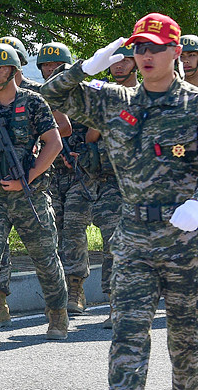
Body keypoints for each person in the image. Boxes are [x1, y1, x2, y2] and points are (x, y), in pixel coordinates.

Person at [41, 13, 198, 389]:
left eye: (155, 49)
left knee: (187, 347)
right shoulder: (114, 101)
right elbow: (47, 96)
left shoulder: (194, 106)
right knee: (127, 337)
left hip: (186, 245)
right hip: (133, 241)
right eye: (140, 48)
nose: (146, 56)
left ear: (175, 52)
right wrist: (84, 68)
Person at [0, 43, 68, 346]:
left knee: (44, 256)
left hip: (27, 193)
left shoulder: (33, 102)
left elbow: (53, 143)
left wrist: (28, 179)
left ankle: (58, 313)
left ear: (14, 71)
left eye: (1, 68)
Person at [0, 36, 71, 327]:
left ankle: (58, 310)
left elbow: (62, 129)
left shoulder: (37, 94)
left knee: (43, 250)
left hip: (33, 179)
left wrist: (31, 149)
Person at [37, 42, 94, 315]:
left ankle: (75, 288)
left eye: (55, 66)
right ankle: (57, 293)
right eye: (46, 66)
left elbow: (96, 126)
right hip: (50, 174)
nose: (50, 70)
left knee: (73, 228)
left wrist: (80, 152)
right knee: (53, 230)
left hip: (80, 173)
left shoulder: (81, 95)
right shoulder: (37, 97)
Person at [82, 42, 135, 328]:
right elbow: (91, 136)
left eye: (125, 61)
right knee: (113, 243)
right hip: (111, 183)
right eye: (114, 61)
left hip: (145, 184)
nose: (119, 66)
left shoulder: (145, 94)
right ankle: (116, 305)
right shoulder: (107, 95)